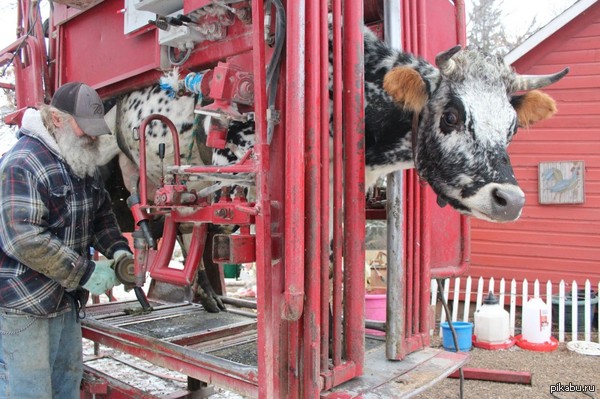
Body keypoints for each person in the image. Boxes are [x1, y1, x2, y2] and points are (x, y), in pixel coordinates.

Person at [0, 82, 133, 399]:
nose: (90, 135)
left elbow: (101, 214)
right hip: (24, 307)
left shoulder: (79, 161)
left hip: (64, 302)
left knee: (65, 390)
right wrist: (86, 273)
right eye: (83, 127)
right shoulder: (23, 164)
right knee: (29, 393)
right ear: (56, 119)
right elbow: (24, 239)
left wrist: (118, 250)